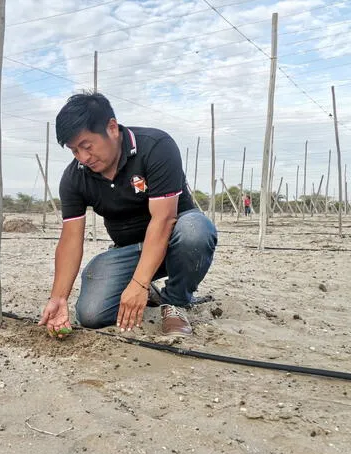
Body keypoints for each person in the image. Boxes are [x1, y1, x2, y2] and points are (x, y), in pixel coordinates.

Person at [38, 93, 217, 338]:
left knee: (195, 230)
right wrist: (59, 297)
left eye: (87, 146)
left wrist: (138, 284)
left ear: (112, 128)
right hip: (129, 251)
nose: (83, 157)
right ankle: (149, 289)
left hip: (175, 238)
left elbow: (164, 220)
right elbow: (70, 239)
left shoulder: (155, 147)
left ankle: (175, 302)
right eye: (74, 151)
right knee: (91, 315)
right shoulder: (75, 177)